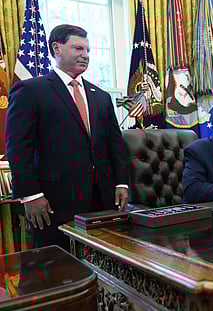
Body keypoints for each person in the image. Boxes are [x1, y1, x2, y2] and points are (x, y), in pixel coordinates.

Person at [6, 24, 129, 250]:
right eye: (78, 48)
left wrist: (122, 182)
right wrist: (31, 196)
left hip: (102, 198)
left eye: (88, 50)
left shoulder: (100, 96)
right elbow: (18, 148)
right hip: (54, 202)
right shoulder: (31, 91)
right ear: (57, 48)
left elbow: (115, 144)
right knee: (59, 269)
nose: (85, 55)